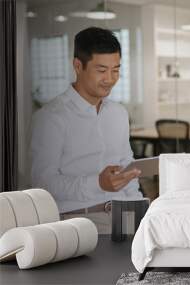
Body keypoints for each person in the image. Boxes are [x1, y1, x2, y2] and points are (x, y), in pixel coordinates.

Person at [31, 27, 143, 233]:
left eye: (116, 70)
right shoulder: (51, 117)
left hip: (124, 218)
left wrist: (140, 212)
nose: (110, 78)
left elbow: (127, 168)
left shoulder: (118, 113)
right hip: (76, 222)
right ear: (78, 66)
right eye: (101, 70)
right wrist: (98, 184)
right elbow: (43, 184)